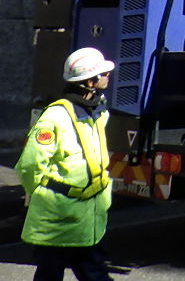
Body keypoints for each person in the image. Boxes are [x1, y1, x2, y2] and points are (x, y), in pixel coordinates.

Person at [17, 47, 114, 281]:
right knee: (55, 273)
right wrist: (41, 194)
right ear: (90, 82)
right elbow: (29, 166)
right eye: (103, 74)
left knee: (89, 272)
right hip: (59, 213)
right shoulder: (55, 117)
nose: (108, 77)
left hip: (87, 214)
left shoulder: (96, 112)